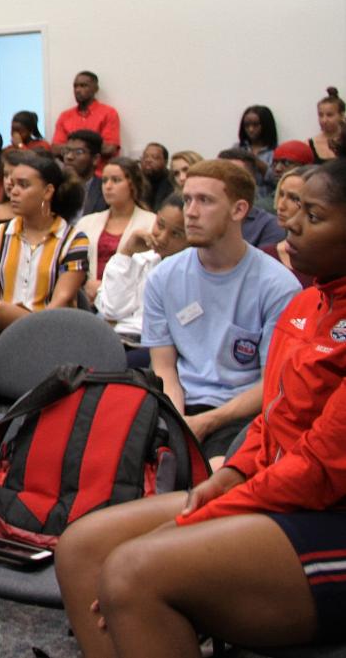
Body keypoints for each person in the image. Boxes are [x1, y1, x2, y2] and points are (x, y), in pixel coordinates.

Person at [55, 159, 346, 658]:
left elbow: (320, 466)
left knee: (133, 568)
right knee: (81, 547)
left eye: (314, 216)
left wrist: (200, 517)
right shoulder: (307, 304)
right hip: (276, 488)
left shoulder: (280, 286)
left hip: (328, 512)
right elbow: (273, 419)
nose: (291, 223)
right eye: (295, 208)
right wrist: (230, 476)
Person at [141, 159, 302, 458]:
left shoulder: (278, 285)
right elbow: (163, 367)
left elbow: (271, 384)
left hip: (241, 413)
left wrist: (206, 422)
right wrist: (178, 422)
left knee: (211, 475)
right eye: (188, 199)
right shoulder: (162, 277)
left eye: (205, 201)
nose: (190, 212)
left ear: (239, 210)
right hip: (179, 404)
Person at [0, 152, 89, 366]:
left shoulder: (73, 240)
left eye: (23, 185)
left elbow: (61, 302)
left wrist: (12, 328)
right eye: (12, 184)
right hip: (1, 330)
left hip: (52, 331)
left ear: (47, 191)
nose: (12, 191)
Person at [94, 193, 188, 366]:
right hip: (118, 340)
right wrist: (126, 253)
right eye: (160, 225)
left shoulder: (189, 272)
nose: (162, 238)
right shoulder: (140, 258)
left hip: (153, 348)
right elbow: (112, 310)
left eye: (176, 234)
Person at [75, 157, 157, 306]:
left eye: (116, 180)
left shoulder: (151, 222)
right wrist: (86, 285)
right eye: (104, 180)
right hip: (88, 300)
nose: (108, 186)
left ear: (132, 185)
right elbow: (73, 264)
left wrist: (105, 288)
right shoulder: (86, 222)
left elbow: (150, 272)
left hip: (130, 302)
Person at [219, 148, 290, 250]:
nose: (220, 180)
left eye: (230, 175)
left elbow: (263, 264)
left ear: (250, 181)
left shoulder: (268, 225)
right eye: (216, 174)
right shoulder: (201, 216)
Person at [52, 70, 121, 163]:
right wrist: (91, 147)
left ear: (95, 89)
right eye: (75, 86)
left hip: (100, 173)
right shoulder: (65, 116)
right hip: (71, 173)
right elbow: (55, 149)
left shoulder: (108, 113)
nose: (77, 90)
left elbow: (109, 148)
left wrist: (70, 148)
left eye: (83, 86)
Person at [237, 104, 280, 205]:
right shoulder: (237, 148)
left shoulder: (277, 152)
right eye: (247, 125)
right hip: (239, 198)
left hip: (266, 202)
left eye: (255, 125)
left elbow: (278, 180)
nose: (251, 129)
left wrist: (255, 160)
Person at [64, 128, 108, 219]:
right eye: (67, 151)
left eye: (78, 152)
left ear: (95, 159)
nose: (69, 157)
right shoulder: (55, 188)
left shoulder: (105, 191)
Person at [139, 141, 176, 209]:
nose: (148, 160)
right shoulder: (136, 180)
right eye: (145, 157)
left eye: (155, 157)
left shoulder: (172, 181)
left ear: (165, 162)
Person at [312, 87, 342, 162]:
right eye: (321, 115)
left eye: (330, 115)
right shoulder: (309, 145)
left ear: (341, 116)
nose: (324, 120)